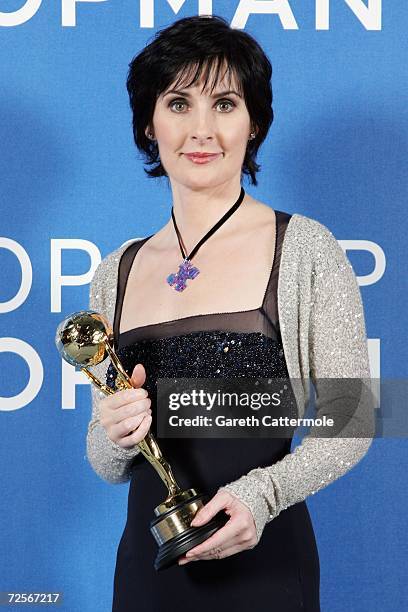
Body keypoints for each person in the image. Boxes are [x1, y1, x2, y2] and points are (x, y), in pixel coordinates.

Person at [86, 14, 375, 612]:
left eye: (224, 103)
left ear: (255, 122)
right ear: (149, 123)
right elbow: (105, 459)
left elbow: (352, 417)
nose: (201, 130)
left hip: (265, 567)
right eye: (178, 102)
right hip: (148, 575)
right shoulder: (114, 270)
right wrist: (114, 433)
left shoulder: (305, 249)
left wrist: (263, 495)